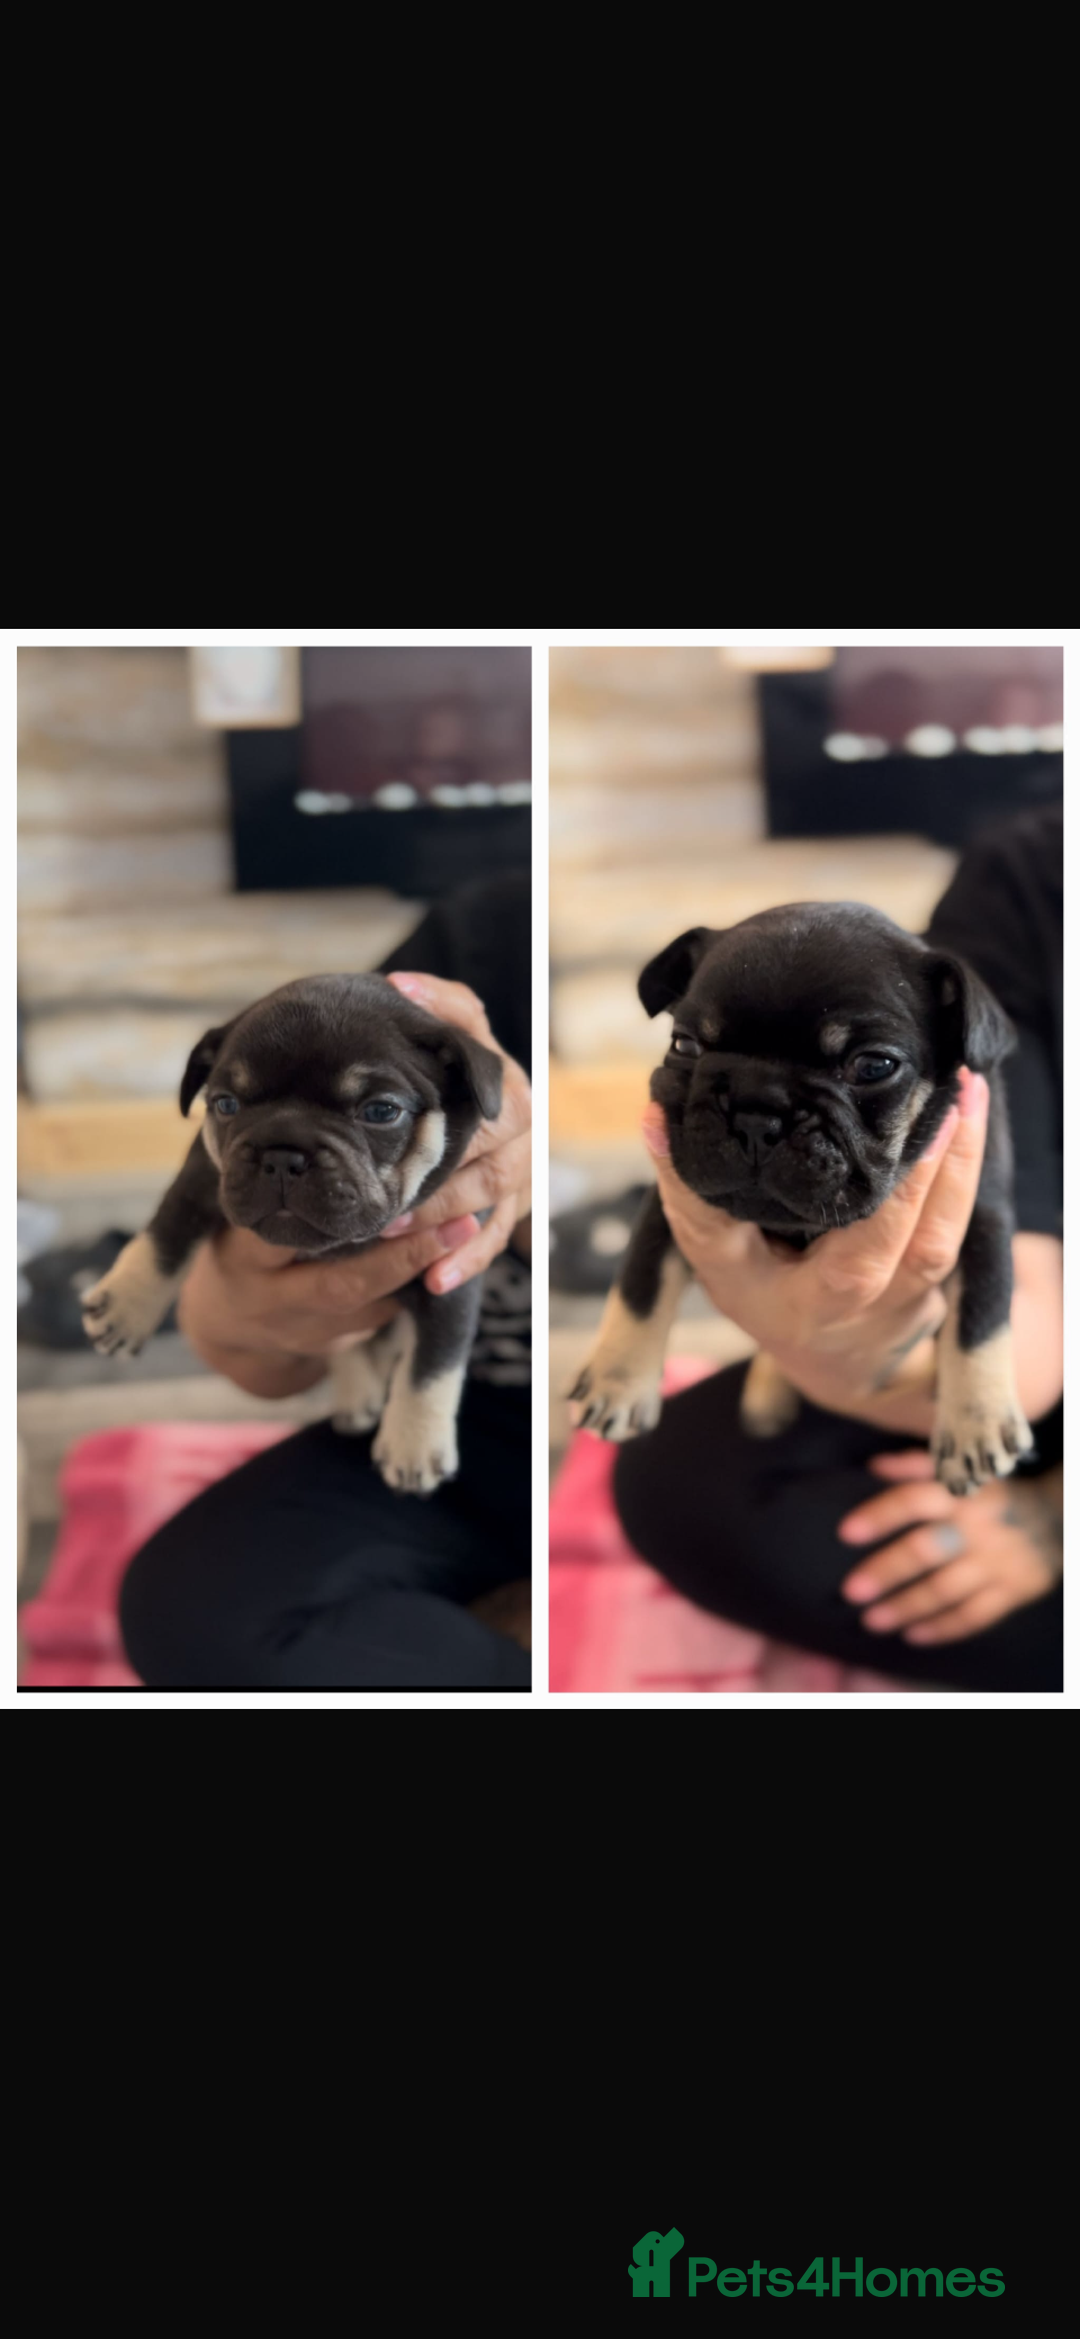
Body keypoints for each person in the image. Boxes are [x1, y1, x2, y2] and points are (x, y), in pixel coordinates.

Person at [613, 807, 1063, 1691]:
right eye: (695, 1045)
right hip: (1043, 1362)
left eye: (864, 1067)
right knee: (687, 1479)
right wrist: (830, 1345)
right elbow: (1030, 1310)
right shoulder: (1032, 871)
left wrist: (1055, 1517)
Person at [118, 875, 532, 1690]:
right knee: (190, 1610)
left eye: (374, 1112)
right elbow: (247, 1354)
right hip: (459, 1421)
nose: (286, 1155)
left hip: (520, 1400)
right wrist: (239, 1311)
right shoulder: (474, 944)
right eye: (232, 1106)